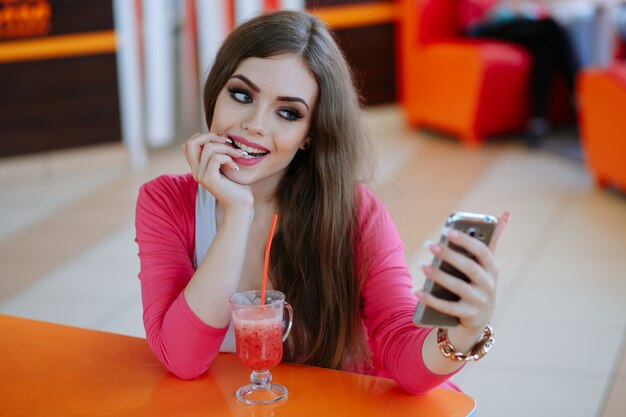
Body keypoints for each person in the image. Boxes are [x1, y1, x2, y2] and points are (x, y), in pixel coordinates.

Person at [135, 10, 508, 395]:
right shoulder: (165, 202)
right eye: (242, 94)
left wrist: (465, 333)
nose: (255, 124)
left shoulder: (353, 210)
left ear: (309, 135)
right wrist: (237, 213)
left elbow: (404, 355)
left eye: (288, 113)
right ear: (215, 94)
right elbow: (182, 358)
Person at [459, 0, 581, 147]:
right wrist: (499, 11)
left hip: (515, 24)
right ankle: (576, 93)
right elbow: (470, 22)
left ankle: (539, 121)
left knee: (543, 48)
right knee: (550, 28)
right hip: (484, 28)